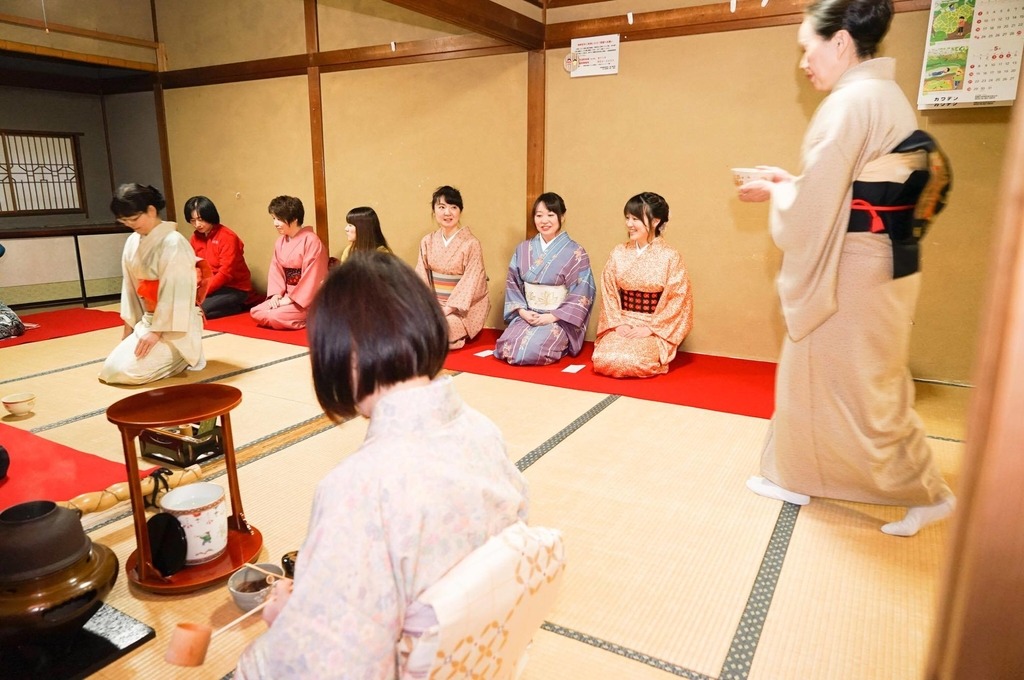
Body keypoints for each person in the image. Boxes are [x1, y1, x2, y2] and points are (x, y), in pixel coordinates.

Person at [234, 252, 528, 678]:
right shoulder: (484, 431)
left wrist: (289, 619)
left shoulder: (357, 488)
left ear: (345, 354)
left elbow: (328, 664)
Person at [737, 0, 955, 537]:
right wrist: (789, 184)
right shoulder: (880, 95)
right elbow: (838, 189)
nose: (803, 63)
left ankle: (926, 491)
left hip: (857, 266)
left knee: (864, 389)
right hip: (874, 257)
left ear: (839, 42)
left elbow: (817, 208)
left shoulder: (851, 102)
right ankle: (794, 474)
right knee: (814, 375)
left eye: (807, 49)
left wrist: (783, 195)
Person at [99, 184, 204, 384]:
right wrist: (129, 330)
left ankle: (184, 356)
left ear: (151, 210)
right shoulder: (132, 242)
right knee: (110, 369)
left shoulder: (174, 242)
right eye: (124, 221)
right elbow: (130, 289)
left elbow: (178, 292)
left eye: (134, 219)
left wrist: (156, 332)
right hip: (147, 321)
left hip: (176, 327)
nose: (130, 224)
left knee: (127, 373)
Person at [591, 192, 694, 378]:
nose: (629, 224)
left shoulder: (670, 256)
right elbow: (609, 292)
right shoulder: (618, 252)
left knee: (633, 362)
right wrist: (617, 324)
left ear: (655, 221)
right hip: (622, 321)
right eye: (628, 218)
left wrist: (651, 328)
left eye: (636, 219)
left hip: (654, 326)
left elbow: (678, 299)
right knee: (604, 359)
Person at [494, 192, 596, 366]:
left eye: (550, 215)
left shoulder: (576, 252)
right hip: (529, 315)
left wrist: (552, 317)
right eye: (539, 215)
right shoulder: (523, 248)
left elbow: (582, 291)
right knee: (507, 346)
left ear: (562, 217)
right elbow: (513, 284)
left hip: (558, 319)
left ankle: (562, 342)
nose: (544, 221)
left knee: (531, 349)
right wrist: (523, 312)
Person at [415, 185, 490, 349]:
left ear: (460, 211)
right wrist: (430, 307)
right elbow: (421, 275)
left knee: (440, 329)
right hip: (434, 305)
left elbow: (472, 281)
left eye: (453, 207)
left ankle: (448, 339)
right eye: (441, 207)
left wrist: (447, 309)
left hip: (461, 310)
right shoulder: (427, 241)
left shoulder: (471, 244)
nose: (447, 213)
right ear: (434, 211)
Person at [250, 196, 328, 330]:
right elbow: (276, 270)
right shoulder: (280, 242)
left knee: (274, 316)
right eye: (273, 218)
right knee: (256, 312)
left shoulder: (311, 241)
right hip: (285, 295)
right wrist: (276, 295)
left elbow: (313, 277)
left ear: (294, 219)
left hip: (306, 300)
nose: (275, 223)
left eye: (279, 219)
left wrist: (291, 299)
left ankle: (312, 316)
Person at [185, 195, 255, 319]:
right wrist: (194, 288)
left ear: (209, 215)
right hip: (210, 286)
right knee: (185, 306)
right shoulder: (195, 238)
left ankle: (238, 305)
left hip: (234, 287)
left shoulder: (227, 237)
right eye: (193, 220)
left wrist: (204, 291)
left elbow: (226, 273)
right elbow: (194, 265)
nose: (197, 224)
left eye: (200, 219)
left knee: (199, 311)